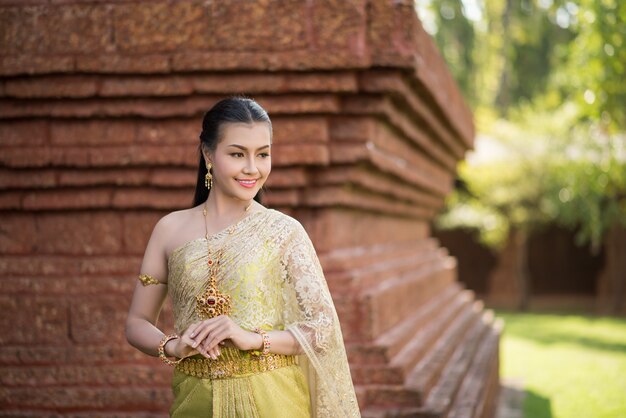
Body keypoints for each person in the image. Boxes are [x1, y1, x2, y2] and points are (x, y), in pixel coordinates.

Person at [125, 96, 361, 417]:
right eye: (237, 154)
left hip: (274, 400)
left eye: (262, 154)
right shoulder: (169, 229)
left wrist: (252, 339)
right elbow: (137, 322)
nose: (252, 168)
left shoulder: (283, 231)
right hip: (195, 400)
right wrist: (174, 346)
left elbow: (322, 329)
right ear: (209, 154)